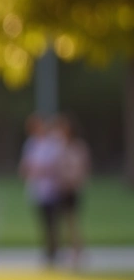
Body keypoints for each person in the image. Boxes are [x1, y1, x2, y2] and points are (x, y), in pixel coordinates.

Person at [19, 115, 66, 266]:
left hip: (52, 189)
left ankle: (55, 250)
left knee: (53, 221)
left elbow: (56, 165)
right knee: (43, 222)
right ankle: (48, 249)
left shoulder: (52, 143)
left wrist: (41, 170)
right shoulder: (31, 144)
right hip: (37, 189)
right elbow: (25, 165)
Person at [54, 116, 90, 271]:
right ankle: (70, 251)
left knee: (72, 221)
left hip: (72, 188)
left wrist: (72, 182)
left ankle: (77, 251)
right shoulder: (61, 146)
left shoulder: (78, 147)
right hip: (62, 187)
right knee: (64, 222)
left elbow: (81, 168)